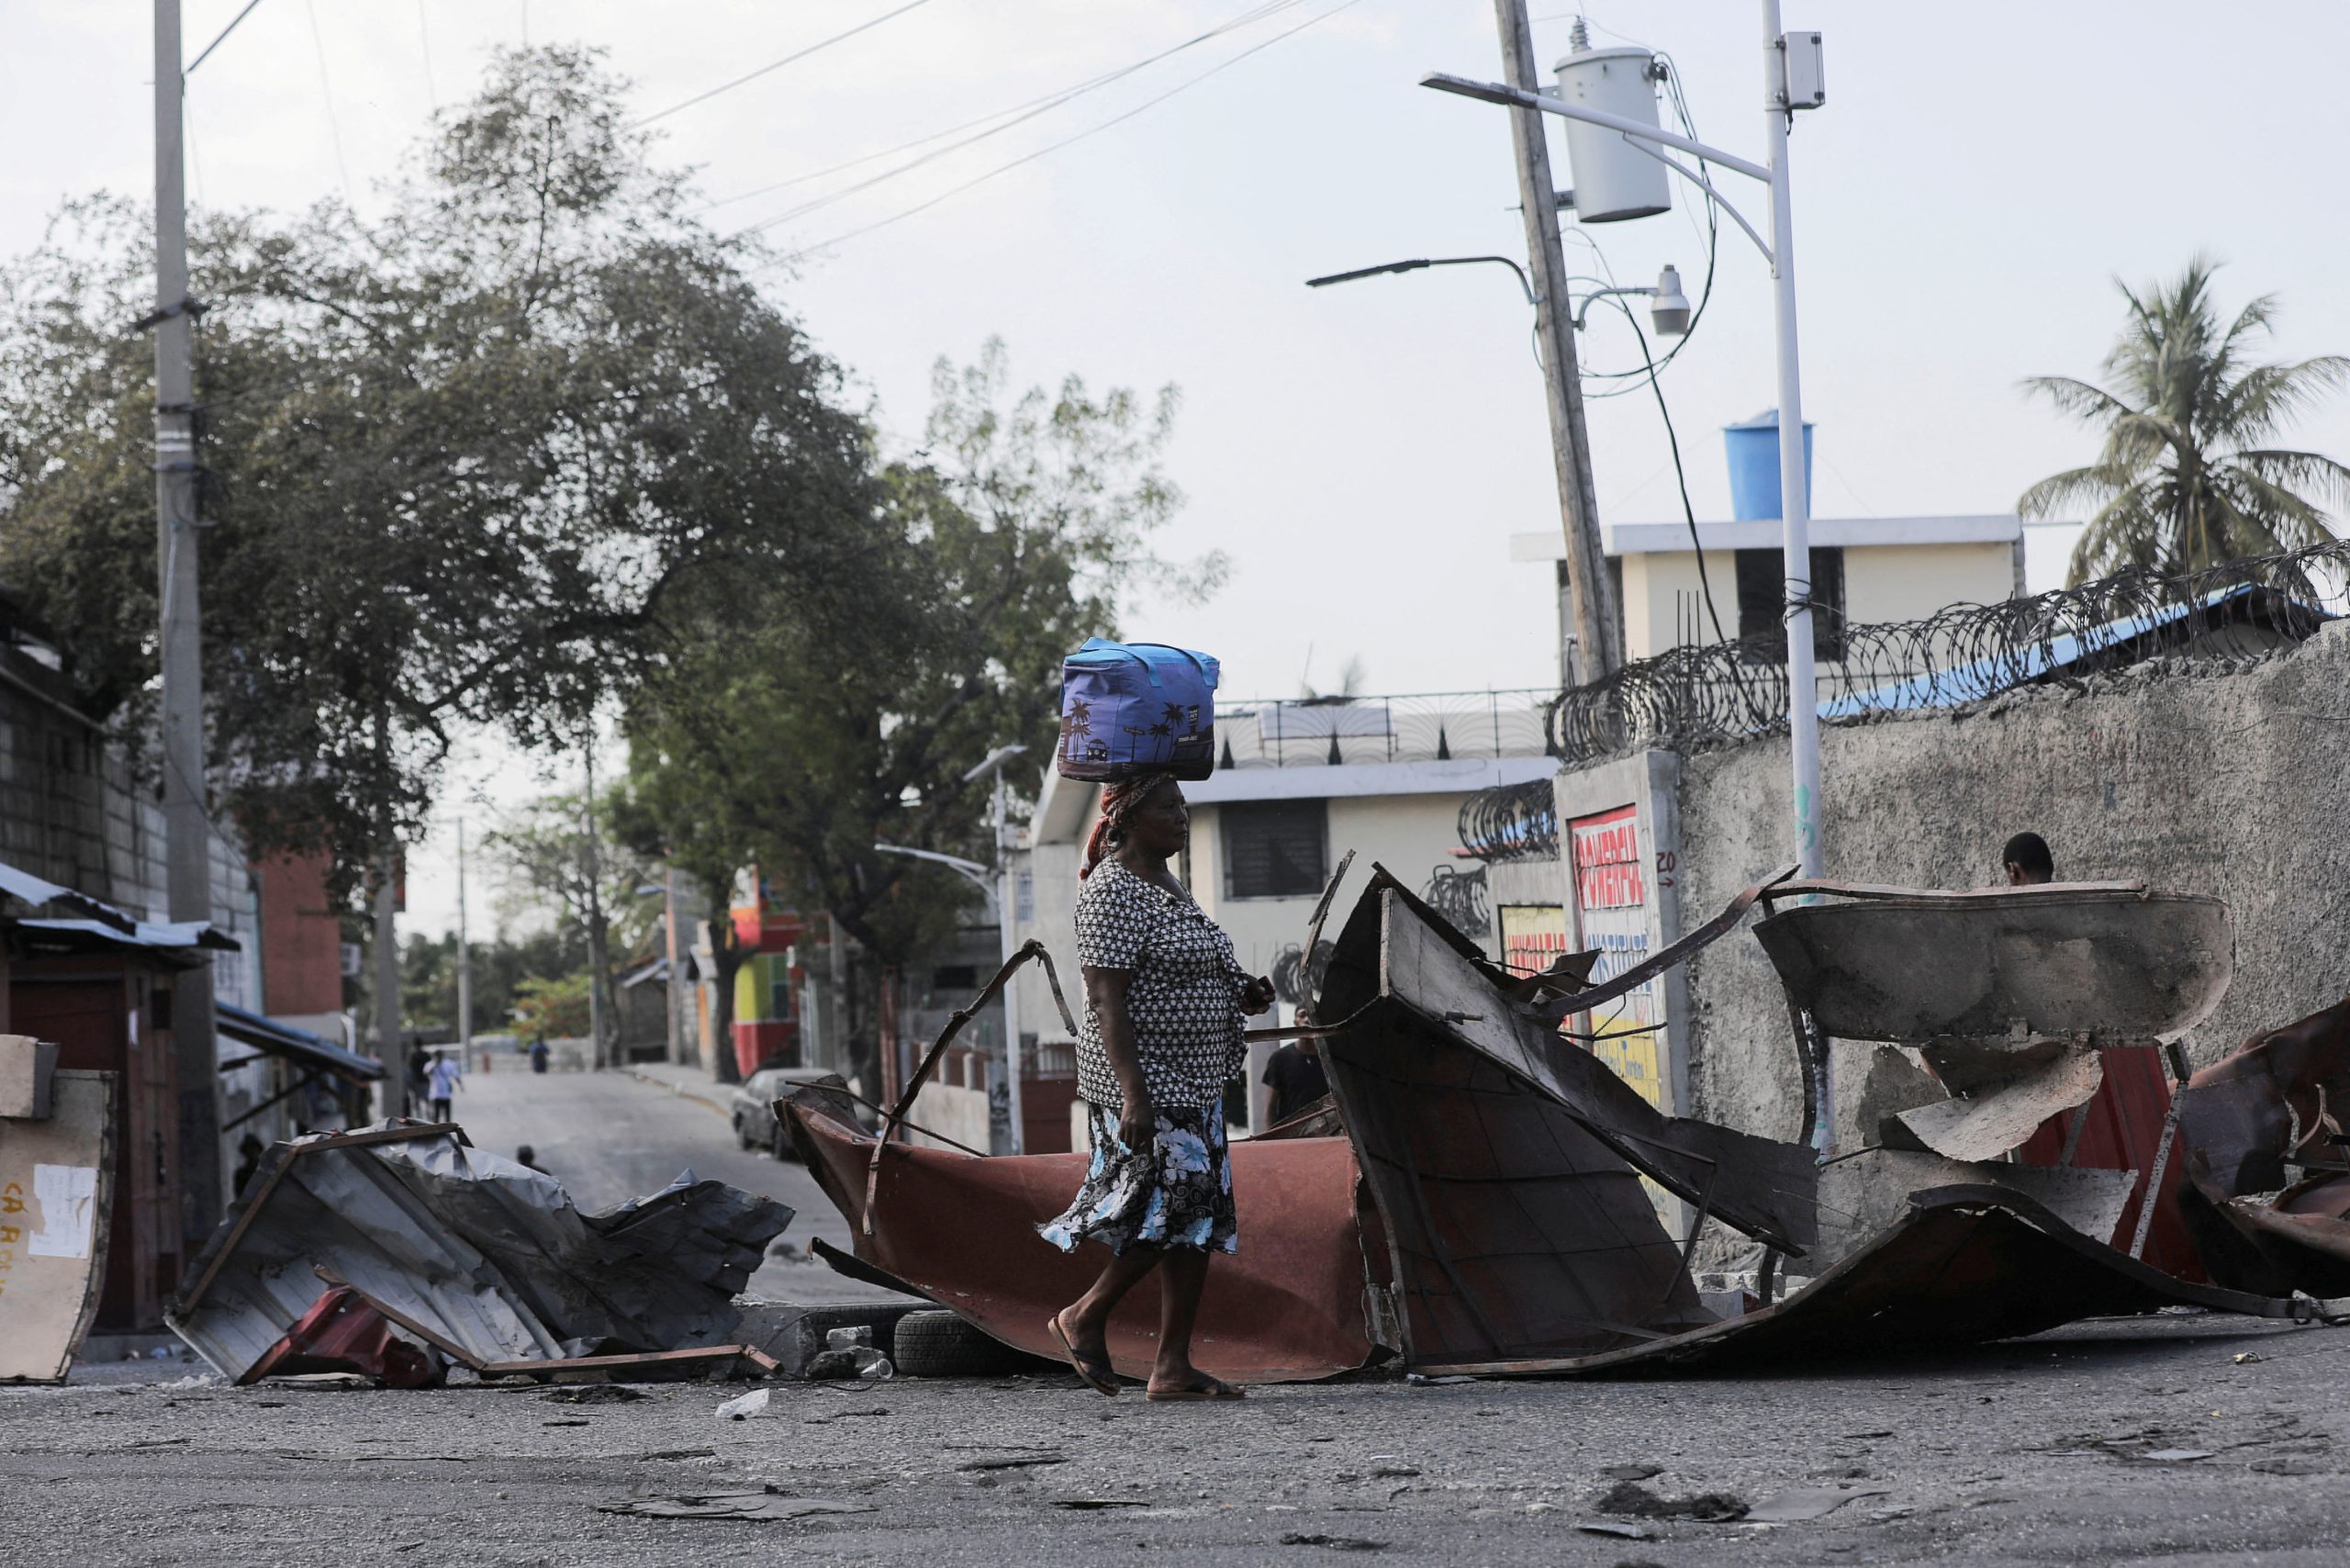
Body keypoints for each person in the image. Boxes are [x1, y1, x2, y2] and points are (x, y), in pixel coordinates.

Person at [1039, 772, 1276, 1402]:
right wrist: (1133, 1095)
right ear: (1126, 817)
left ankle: (1172, 1366)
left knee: (1198, 1217)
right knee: (1178, 1205)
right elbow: (1105, 1000)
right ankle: (1084, 1315)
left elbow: (1188, 964)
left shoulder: (1168, 885)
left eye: (1182, 804)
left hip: (1197, 1080)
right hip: (1146, 1082)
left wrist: (1242, 990)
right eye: (1168, 806)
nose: (1182, 814)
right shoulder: (1110, 893)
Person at [1261, 1032, 1329, 1127]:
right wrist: (1269, 1139)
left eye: (1309, 1017)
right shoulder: (1280, 1059)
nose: (1306, 1020)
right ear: (1295, 1021)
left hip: (1328, 1130)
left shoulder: (1330, 1058)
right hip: (1291, 1133)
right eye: (1302, 1016)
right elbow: (1270, 1107)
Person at [425, 1049, 463, 1123]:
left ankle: (447, 1132)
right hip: (435, 1094)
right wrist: (435, 1065)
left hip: (446, 1094)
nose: (439, 1057)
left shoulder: (448, 1064)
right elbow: (426, 1073)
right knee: (435, 1116)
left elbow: (455, 1075)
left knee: (447, 1117)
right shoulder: (430, 1064)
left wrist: (461, 1085)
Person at [230, 1134, 266, 1198]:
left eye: (254, 1148)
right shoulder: (241, 1174)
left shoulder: (265, 1170)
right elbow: (239, 1196)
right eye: (249, 1148)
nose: (252, 1151)